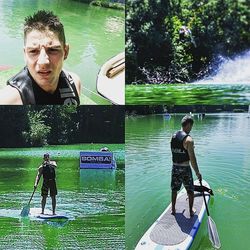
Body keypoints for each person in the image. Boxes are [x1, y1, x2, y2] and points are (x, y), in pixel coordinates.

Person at [0, 10, 81, 105]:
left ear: (65, 51)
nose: (43, 62)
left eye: (53, 50)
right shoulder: (8, 100)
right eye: (33, 51)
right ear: (25, 54)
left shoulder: (75, 82)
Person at [170, 115, 202, 217]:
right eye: (191, 126)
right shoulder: (189, 140)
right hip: (185, 168)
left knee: (174, 189)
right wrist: (198, 173)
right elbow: (193, 159)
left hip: (174, 167)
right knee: (190, 190)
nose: (191, 129)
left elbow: (176, 151)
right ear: (188, 125)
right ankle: (191, 211)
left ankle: (173, 210)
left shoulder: (173, 136)